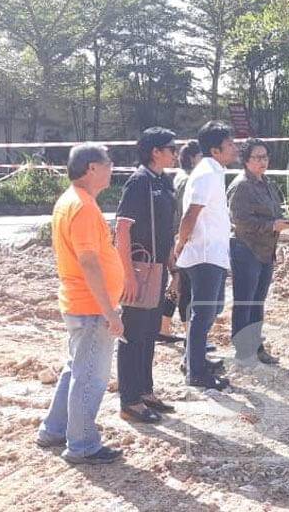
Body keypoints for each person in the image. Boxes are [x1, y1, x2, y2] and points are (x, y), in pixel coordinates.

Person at [36, 144, 125, 464]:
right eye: (108, 163)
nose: (112, 168)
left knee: (77, 369)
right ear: (91, 168)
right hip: (90, 307)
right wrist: (109, 310)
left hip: (79, 303)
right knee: (90, 376)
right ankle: (82, 444)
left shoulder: (71, 201)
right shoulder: (84, 207)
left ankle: (55, 429)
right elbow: (88, 261)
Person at [114, 128, 178, 423]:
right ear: (155, 151)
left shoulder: (163, 181)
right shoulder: (138, 182)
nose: (175, 152)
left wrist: (171, 263)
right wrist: (127, 274)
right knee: (133, 334)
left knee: (150, 332)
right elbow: (122, 230)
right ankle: (129, 401)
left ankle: (145, 390)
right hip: (139, 270)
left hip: (158, 269)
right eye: (170, 147)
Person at [174, 121, 238, 390]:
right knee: (203, 314)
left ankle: (194, 359)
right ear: (215, 149)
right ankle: (196, 372)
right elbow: (191, 214)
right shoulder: (207, 173)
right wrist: (180, 244)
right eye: (230, 145)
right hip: (203, 254)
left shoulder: (213, 170)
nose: (235, 148)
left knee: (209, 311)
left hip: (211, 253)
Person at [227, 138, 289, 365]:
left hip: (266, 249)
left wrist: (281, 219)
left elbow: (274, 209)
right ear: (246, 160)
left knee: (258, 301)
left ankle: (256, 347)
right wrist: (271, 225)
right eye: (257, 157)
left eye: (265, 157)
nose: (262, 161)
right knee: (245, 301)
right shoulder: (241, 185)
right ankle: (243, 351)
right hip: (246, 249)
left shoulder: (267, 183)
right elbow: (240, 221)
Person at [157, 140, 202, 343]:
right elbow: (184, 215)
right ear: (193, 157)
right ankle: (189, 334)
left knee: (176, 284)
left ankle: (164, 328)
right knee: (184, 287)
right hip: (181, 241)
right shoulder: (188, 180)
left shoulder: (180, 177)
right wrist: (181, 241)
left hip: (175, 239)